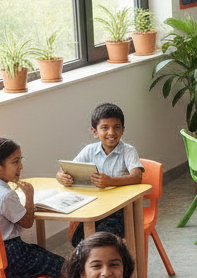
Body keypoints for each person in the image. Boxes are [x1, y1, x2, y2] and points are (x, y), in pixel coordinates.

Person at [0, 137, 68, 278]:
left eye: (20, 160)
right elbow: (27, 222)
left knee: (40, 252)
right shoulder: (5, 195)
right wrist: (29, 196)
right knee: (66, 267)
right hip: (11, 261)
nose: (21, 166)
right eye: (15, 162)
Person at [55, 102, 144, 245]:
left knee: (101, 239)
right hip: (97, 208)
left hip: (123, 210)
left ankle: (108, 262)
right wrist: (60, 176)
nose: (111, 133)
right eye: (104, 128)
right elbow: (66, 169)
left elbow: (137, 177)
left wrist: (110, 181)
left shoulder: (128, 150)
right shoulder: (89, 150)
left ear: (122, 130)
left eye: (116, 127)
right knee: (78, 239)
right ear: (95, 132)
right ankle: (90, 265)